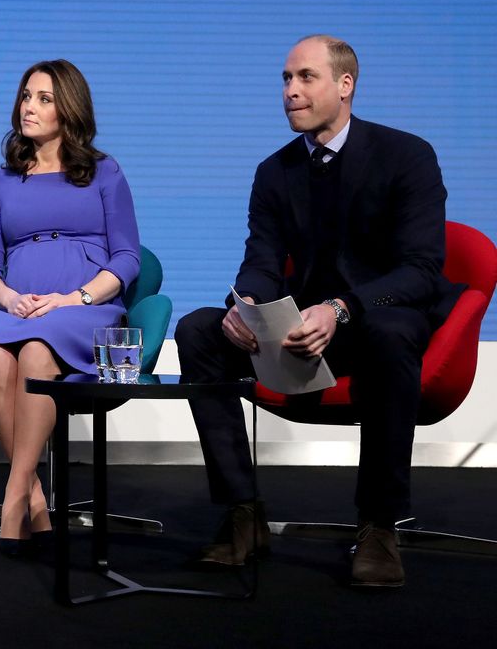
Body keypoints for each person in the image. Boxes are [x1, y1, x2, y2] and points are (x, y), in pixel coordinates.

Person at [177, 35, 464, 588]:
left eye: (306, 77)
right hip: (301, 328)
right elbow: (261, 260)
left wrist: (342, 307)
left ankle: (379, 525)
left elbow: (421, 268)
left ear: (345, 85)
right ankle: (242, 512)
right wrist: (246, 305)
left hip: (378, 315)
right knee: (198, 331)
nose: (291, 90)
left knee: (390, 332)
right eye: (286, 79)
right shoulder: (275, 171)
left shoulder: (407, 155)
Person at [0, 59, 141, 556]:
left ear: (68, 109)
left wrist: (75, 298)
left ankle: (14, 496)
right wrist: (10, 298)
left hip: (86, 310)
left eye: (44, 99)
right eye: (26, 96)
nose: (28, 107)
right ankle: (33, 494)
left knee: (36, 351)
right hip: (21, 309)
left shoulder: (104, 172)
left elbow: (127, 258)